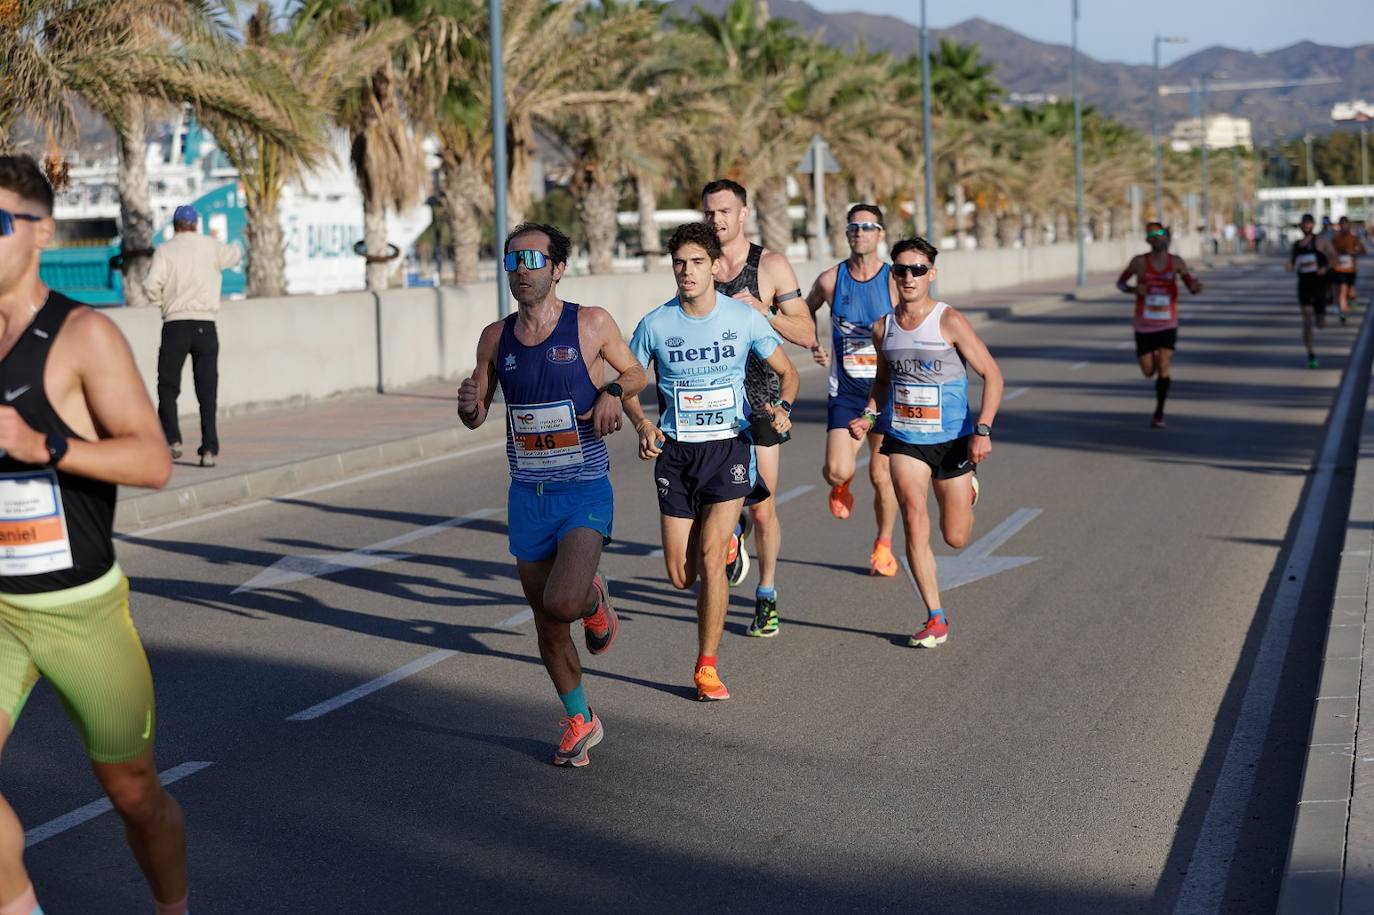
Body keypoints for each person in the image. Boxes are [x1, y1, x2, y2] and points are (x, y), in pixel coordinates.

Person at [0, 155, 184, 914]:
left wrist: (45, 445)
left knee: (134, 795)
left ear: (39, 230)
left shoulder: (82, 336)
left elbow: (153, 459)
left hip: (81, 609)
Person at [457, 222, 646, 766]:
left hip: (583, 488)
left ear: (558, 268)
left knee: (563, 601)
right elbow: (477, 414)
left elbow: (635, 373)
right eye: (512, 260)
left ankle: (593, 599)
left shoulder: (590, 324)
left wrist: (611, 392)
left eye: (533, 260)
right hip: (527, 495)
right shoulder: (495, 338)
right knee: (545, 619)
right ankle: (579, 718)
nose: (521, 270)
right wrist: (468, 403)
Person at [624, 221, 798, 698]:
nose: (687, 272)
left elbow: (789, 374)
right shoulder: (655, 325)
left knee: (708, 556)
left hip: (729, 449)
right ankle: (725, 547)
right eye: (679, 263)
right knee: (681, 576)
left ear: (715, 266)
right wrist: (642, 422)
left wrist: (782, 409)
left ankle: (706, 667)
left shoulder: (743, 320)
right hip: (677, 455)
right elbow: (629, 382)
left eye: (697, 262)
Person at [849, 237, 1003, 649]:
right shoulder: (883, 327)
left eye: (918, 269)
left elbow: (992, 374)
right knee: (914, 518)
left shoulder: (949, 321)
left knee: (955, 537)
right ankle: (935, 616)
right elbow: (883, 381)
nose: (909, 277)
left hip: (953, 440)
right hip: (904, 438)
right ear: (892, 275)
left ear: (931, 274)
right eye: (901, 269)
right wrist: (867, 416)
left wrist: (983, 429)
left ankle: (966, 487)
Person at [702, 179, 815, 638]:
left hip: (763, 401)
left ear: (744, 213)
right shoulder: (698, 265)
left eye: (725, 211)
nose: (717, 221)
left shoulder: (769, 265)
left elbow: (807, 332)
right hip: (711, 401)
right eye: (709, 213)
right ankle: (730, 535)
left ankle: (766, 594)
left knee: (764, 508)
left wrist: (762, 312)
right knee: (709, 502)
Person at [805, 203, 899, 576]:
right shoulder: (831, 279)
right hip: (845, 391)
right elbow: (804, 309)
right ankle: (842, 485)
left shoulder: (894, 279)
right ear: (846, 235)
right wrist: (813, 341)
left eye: (867, 227)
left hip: (887, 389)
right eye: (853, 228)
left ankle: (884, 544)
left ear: (880, 234)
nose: (860, 233)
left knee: (882, 475)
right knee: (836, 469)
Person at [144, 204, 240, 468]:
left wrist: (163, 303)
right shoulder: (211, 247)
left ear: (175, 226)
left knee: (168, 386)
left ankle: (172, 439)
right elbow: (235, 254)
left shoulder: (165, 251)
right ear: (196, 224)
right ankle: (208, 450)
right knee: (207, 392)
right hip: (206, 326)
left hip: (175, 324)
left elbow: (151, 286)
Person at [1116, 222, 1203, 428]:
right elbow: (1120, 283)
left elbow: (1190, 285)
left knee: (1164, 364)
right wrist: (1134, 290)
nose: (1158, 238)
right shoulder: (1139, 262)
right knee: (1148, 372)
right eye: (1153, 235)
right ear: (1147, 240)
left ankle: (1159, 412)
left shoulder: (1176, 263)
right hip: (1144, 324)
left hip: (1167, 323)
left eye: (1161, 234)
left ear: (1166, 237)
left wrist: (1196, 287)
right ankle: (1152, 363)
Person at [1287, 213, 1331, 368]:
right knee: (1306, 319)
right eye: (1304, 224)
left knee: (1320, 323)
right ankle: (1311, 354)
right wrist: (1289, 266)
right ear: (1300, 226)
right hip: (1304, 285)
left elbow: (1333, 258)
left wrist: (1325, 269)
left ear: (1313, 225)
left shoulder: (1320, 241)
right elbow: (1292, 263)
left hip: (1319, 285)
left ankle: (1321, 317)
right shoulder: (1297, 245)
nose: (1306, 226)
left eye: (1309, 223)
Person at [1332, 216, 1367, 318]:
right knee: (1343, 288)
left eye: (1346, 225)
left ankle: (1351, 300)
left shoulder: (1353, 238)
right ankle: (1343, 311)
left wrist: (1354, 252)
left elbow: (1363, 251)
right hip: (1339, 268)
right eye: (1342, 225)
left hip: (1351, 269)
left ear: (1349, 226)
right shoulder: (1336, 239)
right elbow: (1330, 251)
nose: (1344, 227)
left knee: (1351, 290)